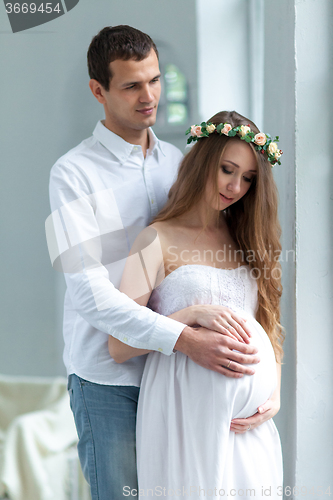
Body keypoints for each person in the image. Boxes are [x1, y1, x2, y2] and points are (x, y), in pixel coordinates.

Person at [47, 25, 276, 500]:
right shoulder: (72, 174)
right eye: (131, 85)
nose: (148, 96)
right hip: (108, 378)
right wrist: (185, 335)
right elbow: (89, 293)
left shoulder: (177, 161)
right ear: (99, 91)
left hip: (179, 385)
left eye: (154, 80)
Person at [108, 110, 284, 498]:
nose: (236, 186)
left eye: (249, 179)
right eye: (227, 169)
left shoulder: (247, 239)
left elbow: (268, 327)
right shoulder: (155, 239)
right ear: (204, 162)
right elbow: (119, 345)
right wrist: (188, 317)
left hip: (246, 428)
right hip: (183, 416)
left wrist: (273, 393)